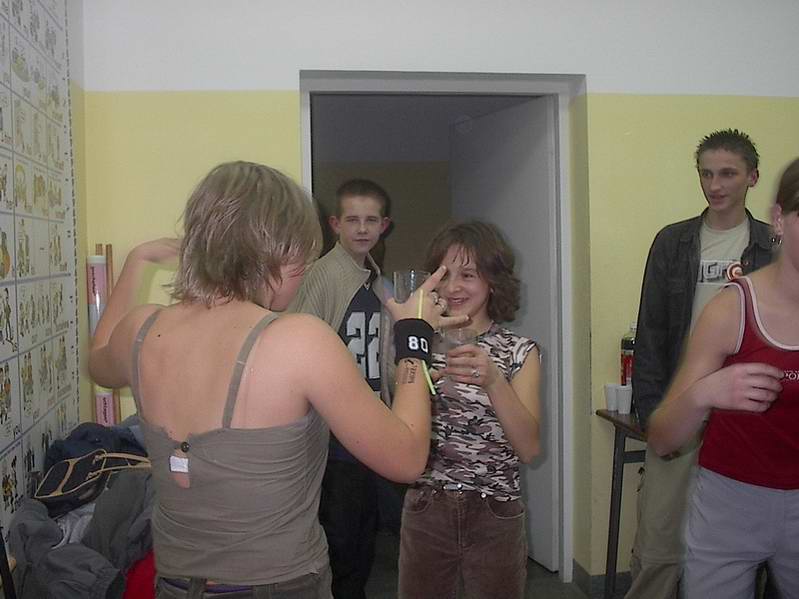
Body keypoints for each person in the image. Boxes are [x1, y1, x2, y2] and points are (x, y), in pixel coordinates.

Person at [88, 161, 465, 599]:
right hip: (280, 586)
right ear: (277, 251)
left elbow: (97, 363)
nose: (304, 267)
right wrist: (415, 336)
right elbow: (406, 458)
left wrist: (137, 260)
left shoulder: (142, 330)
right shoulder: (298, 340)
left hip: (174, 585)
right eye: (301, 254)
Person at [626, 129, 773, 599]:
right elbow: (651, 332)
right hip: (681, 407)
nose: (715, 185)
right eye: (706, 174)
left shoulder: (772, 246)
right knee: (658, 547)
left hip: (747, 417)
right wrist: (652, 413)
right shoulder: (673, 242)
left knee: (739, 549)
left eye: (727, 173)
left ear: (752, 177)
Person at [646, 157, 799, 598]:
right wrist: (705, 393)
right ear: (780, 219)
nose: (715, 184)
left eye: (727, 173)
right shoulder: (731, 308)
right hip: (731, 501)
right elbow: (662, 439)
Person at [397, 221, 541, 599]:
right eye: (444, 275)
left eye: (468, 275)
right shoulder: (418, 343)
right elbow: (396, 428)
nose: (453, 287)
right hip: (427, 506)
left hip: (496, 511)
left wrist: (494, 381)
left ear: (493, 280)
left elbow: (529, 449)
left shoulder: (520, 351)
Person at [288, 179, 395, 599]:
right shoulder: (323, 275)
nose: (362, 228)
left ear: (384, 225)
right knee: (342, 537)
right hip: (335, 436)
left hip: (369, 425)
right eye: (353, 220)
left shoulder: (375, 279)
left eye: (371, 220)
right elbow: (298, 346)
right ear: (335, 224)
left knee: (364, 531)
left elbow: (380, 354)